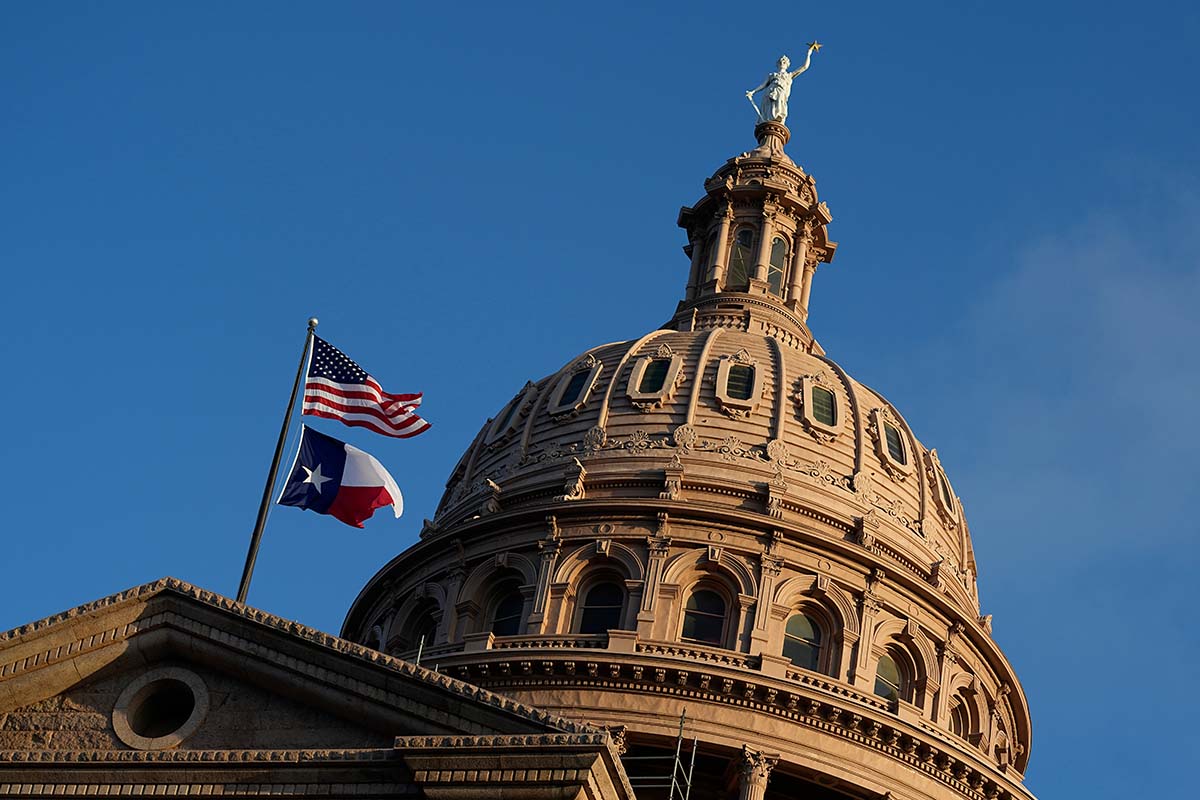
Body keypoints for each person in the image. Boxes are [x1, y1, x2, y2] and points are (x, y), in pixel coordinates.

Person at [746, 44, 819, 124]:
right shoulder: (772, 75)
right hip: (770, 91)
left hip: (781, 91)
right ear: (778, 64)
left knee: (780, 102)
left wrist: (808, 54)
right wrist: (753, 92)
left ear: (787, 65)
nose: (782, 63)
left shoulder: (789, 75)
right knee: (769, 107)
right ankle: (769, 120)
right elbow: (763, 85)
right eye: (781, 61)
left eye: (784, 62)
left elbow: (804, 67)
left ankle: (778, 117)